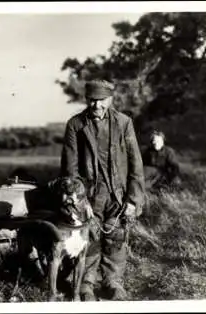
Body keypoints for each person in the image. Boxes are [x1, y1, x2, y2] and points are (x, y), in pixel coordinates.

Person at [60, 79, 145, 301]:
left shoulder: (124, 123)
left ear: (111, 99)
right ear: (86, 100)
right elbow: (69, 170)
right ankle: (85, 284)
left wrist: (133, 200)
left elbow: (135, 164)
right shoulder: (76, 125)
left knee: (116, 238)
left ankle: (113, 281)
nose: (96, 105)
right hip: (89, 195)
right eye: (92, 100)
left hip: (118, 193)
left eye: (101, 100)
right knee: (89, 238)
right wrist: (80, 201)